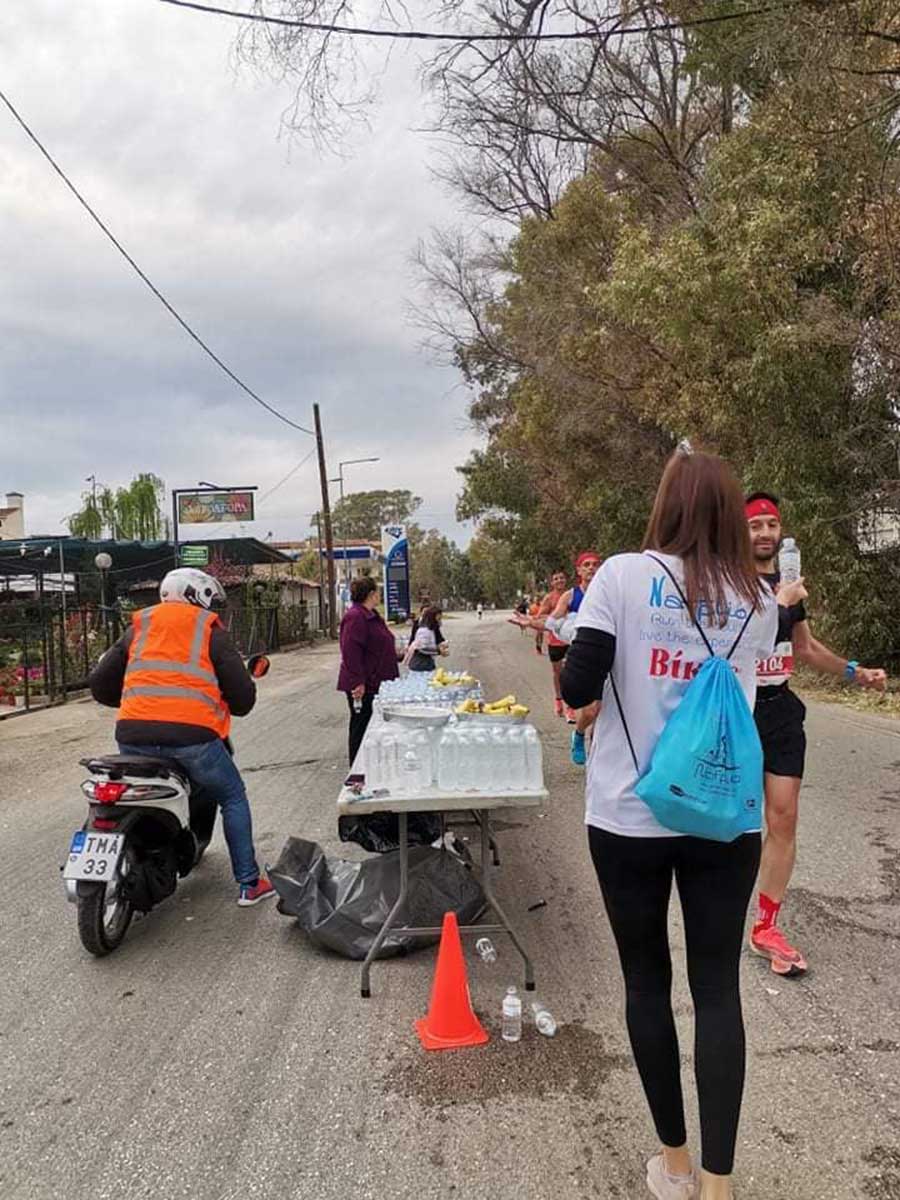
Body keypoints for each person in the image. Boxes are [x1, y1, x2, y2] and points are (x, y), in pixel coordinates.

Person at [561, 449, 778, 1200]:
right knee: (718, 990)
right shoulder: (761, 598)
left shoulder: (621, 575)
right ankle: (719, 1186)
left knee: (646, 983)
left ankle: (675, 1165)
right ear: (726, 512)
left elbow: (578, 681)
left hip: (628, 815)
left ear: (666, 505)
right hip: (726, 815)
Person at [746, 491, 887, 974]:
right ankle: (717, 917)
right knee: (734, 825)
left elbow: (804, 648)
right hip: (738, 713)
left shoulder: (790, 582)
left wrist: (854, 671)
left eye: (772, 524)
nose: (765, 533)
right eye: (755, 525)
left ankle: (766, 927)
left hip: (781, 710)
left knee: (782, 820)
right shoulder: (727, 581)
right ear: (740, 532)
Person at [88, 568, 275, 907]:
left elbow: (100, 684)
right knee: (232, 796)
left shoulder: (139, 626)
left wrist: (137, 700)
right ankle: (249, 884)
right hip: (193, 740)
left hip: (132, 735)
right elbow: (243, 699)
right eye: (210, 598)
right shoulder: (208, 629)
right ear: (197, 595)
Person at [338, 576, 399, 765]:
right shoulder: (356, 616)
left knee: (374, 728)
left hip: (378, 684)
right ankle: (357, 772)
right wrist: (358, 681)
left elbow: (378, 645)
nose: (379, 595)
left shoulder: (372, 616)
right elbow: (350, 651)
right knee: (361, 727)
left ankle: (373, 766)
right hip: (364, 687)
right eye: (378, 592)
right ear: (371, 594)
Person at [535, 570, 570, 716]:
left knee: (570, 673)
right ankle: (558, 699)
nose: (559, 581)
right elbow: (540, 616)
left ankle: (570, 705)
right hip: (555, 642)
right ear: (552, 582)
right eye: (556, 579)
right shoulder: (549, 598)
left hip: (570, 640)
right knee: (558, 673)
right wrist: (557, 617)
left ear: (565, 580)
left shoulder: (571, 595)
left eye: (561, 578)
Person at [403, 605, 448, 671]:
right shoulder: (424, 630)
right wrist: (439, 651)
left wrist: (441, 644)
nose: (439, 621)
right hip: (420, 663)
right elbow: (422, 648)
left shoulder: (431, 629)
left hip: (427, 662)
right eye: (438, 618)